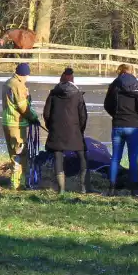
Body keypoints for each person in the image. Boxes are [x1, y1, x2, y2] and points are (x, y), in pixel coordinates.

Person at [104, 64, 138, 196]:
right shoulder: (137, 85)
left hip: (118, 125)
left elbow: (107, 105)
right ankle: (134, 190)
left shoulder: (114, 85)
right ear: (132, 72)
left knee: (115, 158)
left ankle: (111, 189)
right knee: (133, 158)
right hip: (133, 126)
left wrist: (115, 115)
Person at [43, 67, 89, 195]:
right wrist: (81, 130)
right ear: (72, 80)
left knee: (58, 157)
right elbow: (83, 116)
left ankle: (61, 189)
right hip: (75, 130)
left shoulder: (53, 93)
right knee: (82, 155)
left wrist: (51, 127)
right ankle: (83, 187)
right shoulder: (78, 95)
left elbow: (46, 113)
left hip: (57, 131)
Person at [2, 62, 42, 190]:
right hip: (17, 124)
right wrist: (33, 117)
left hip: (7, 122)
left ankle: (17, 182)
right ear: (25, 74)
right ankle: (17, 184)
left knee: (14, 153)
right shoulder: (18, 85)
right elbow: (22, 107)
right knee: (20, 153)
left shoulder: (8, 82)